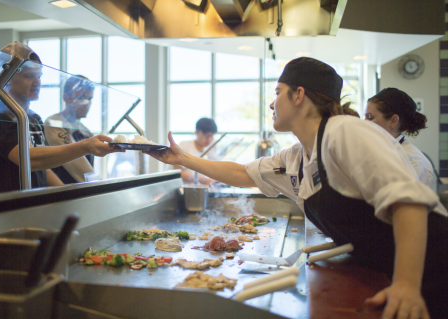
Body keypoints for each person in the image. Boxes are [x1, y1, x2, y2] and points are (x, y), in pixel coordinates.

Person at [148, 57, 448, 319]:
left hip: (432, 270)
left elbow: (408, 201)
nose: (271, 102)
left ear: (299, 95)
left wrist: (407, 285)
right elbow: (243, 173)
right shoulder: (297, 155)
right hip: (390, 269)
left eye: (277, 93)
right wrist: (182, 158)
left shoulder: (345, 131)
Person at [0, 42, 123, 194]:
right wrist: (85, 146)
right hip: (8, 210)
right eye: (29, 76)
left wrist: (67, 195)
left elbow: (43, 168)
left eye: (39, 76)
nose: (37, 82)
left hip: (33, 206)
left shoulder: (33, 118)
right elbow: (30, 160)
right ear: (6, 77)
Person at [365, 88, 435, 190]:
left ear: (393, 121)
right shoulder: (374, 150)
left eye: (370, 118)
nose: (364, 123)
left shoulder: (414, 161)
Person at [44, 75, 96, 183]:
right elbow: (76, 163)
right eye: (81, 98)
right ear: (66, 98)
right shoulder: (54, 123)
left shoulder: (86, 130)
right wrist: (98, 187)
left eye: (90, 99)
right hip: (63, 195)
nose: (87, 104)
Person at [175, 118, 219, 185]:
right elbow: (178, 172)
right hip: (178, 190)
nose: (209, 139)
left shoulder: (207, 151)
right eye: (207, 136)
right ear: (197, 132)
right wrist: (202, 179)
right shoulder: (184, 146)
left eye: (212, 136)